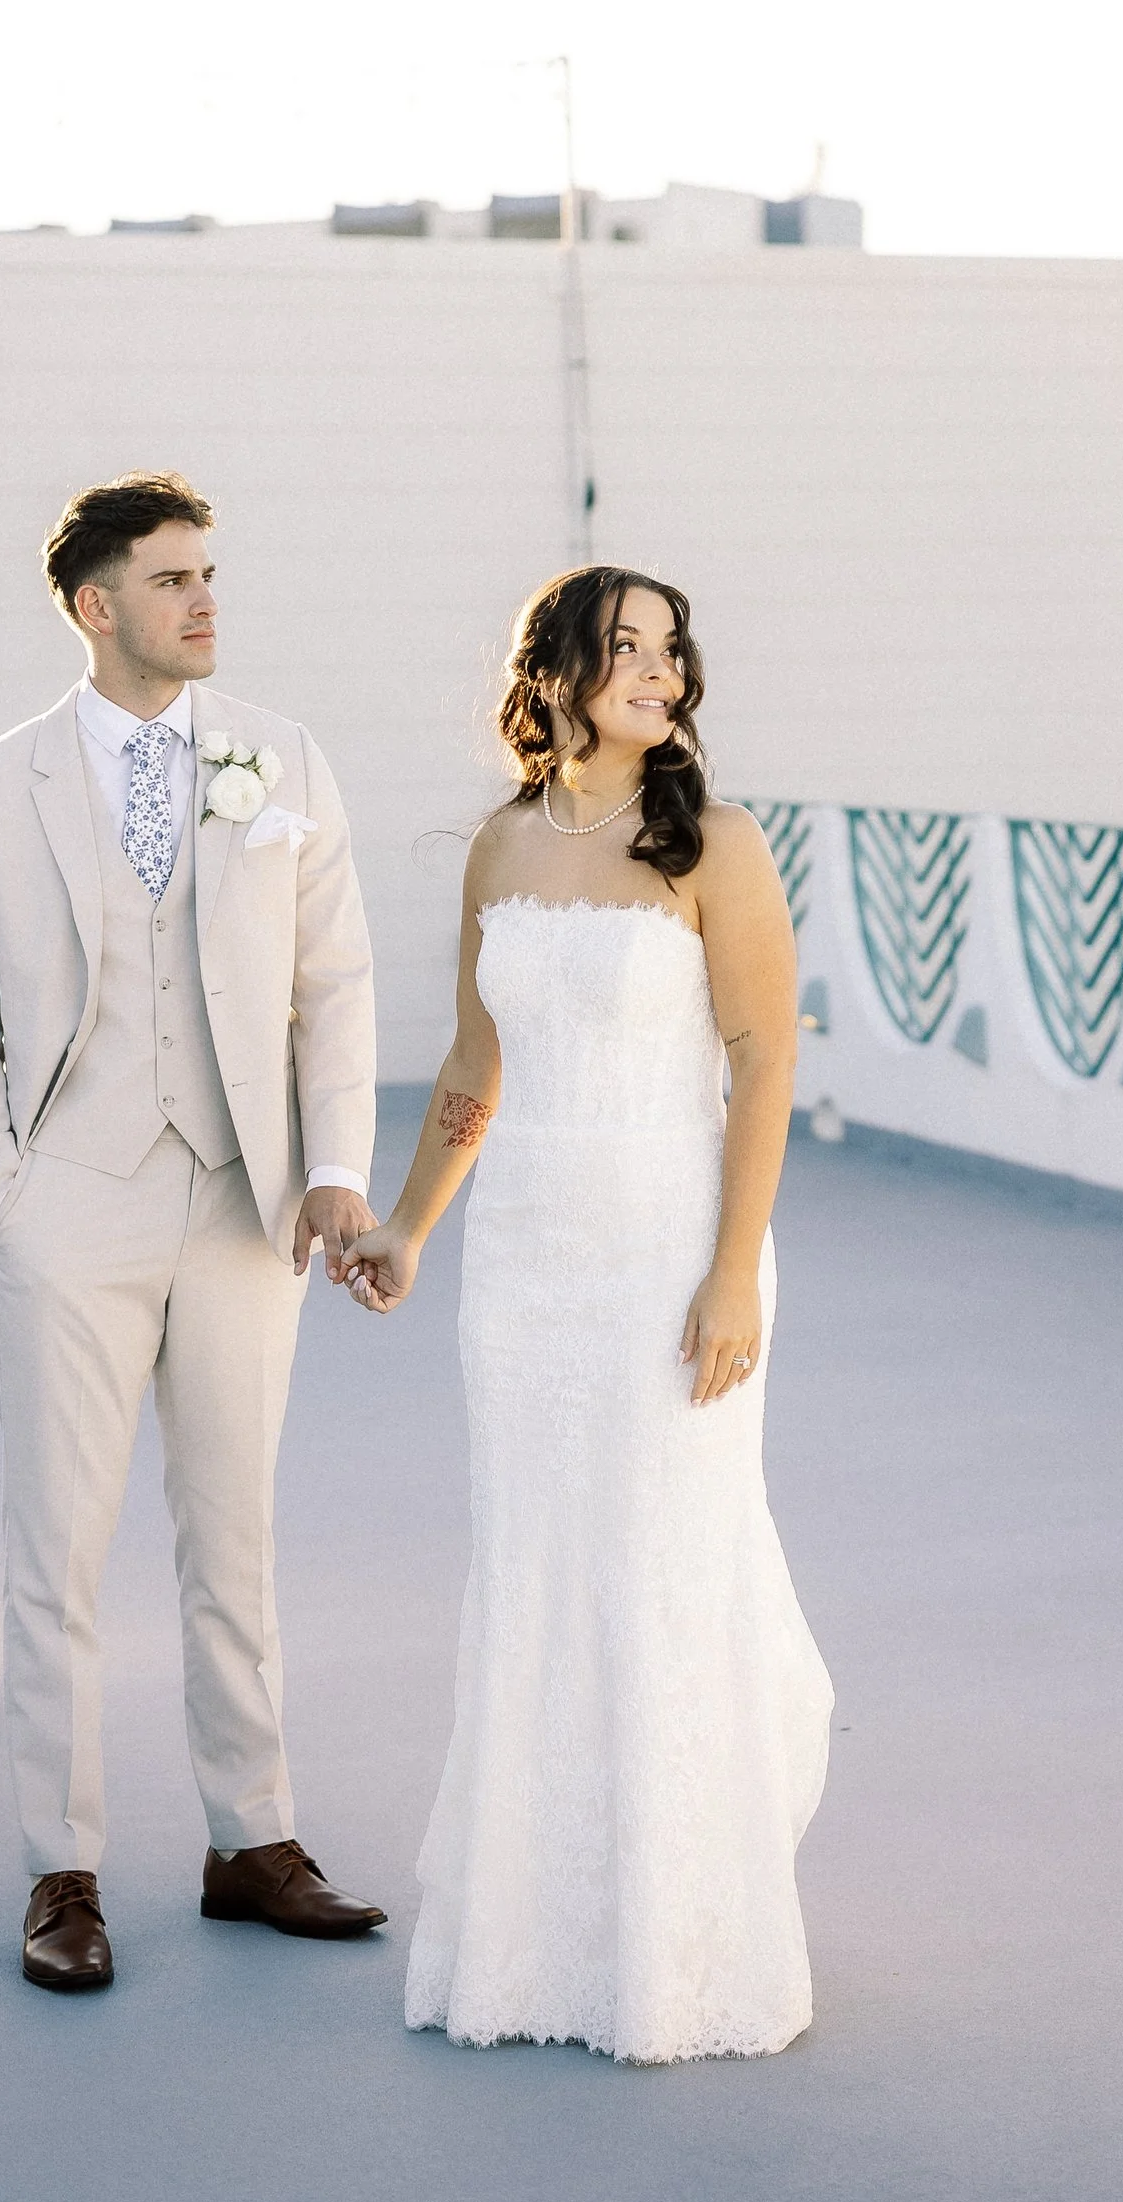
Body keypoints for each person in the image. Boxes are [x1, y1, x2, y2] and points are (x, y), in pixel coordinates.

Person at [343, 564, 833, 2063]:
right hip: (527, 1267)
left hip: (668, 1247)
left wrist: (735, 1266)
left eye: (671, 650)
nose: (658, 672)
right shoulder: (499, 845)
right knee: (540, 1574)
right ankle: (529, 1942)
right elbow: (477, 1059)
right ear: (552, 670)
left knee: (659, 1570)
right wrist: (410, 1224)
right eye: (626, 647)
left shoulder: (717, 844)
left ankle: (676, 1950)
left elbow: (763, 1061)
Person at [0, 471, 387, 1993]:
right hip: (71, 1200)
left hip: (244, 1200)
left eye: (210, 574)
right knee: (58, 1547)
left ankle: (254, 1839)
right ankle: (63, 1869)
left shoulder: (281, 755)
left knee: (232, 1533)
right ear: (94, 602)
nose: (204, 600)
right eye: (173, 577)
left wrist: (335, 1166)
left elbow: (339, 983)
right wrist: (1, 1185)